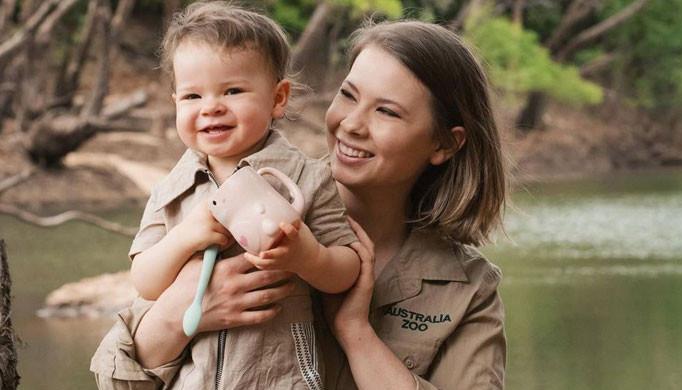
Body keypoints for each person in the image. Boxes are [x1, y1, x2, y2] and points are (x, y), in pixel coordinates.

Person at [91, 18, 507, 390]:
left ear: (445, 143)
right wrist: (186, 309)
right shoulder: (233, 197)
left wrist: (355, 334)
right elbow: (117, 382)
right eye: (348, 95)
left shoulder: (467, 289)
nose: (351, 124)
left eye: (387, 112)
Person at [113, 2, 360, 388]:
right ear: (176, 103)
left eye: (232, 90)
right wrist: (185, 237)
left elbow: (346, 268)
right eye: (193, 97)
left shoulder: (308, 177)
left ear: (278, 99)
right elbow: (145, 280)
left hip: (283, 376)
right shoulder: (173, 190)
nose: (211, 107)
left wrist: (306, 256)